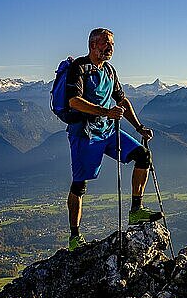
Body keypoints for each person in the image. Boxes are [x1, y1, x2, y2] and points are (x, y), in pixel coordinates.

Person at [65, 27, 162, 251]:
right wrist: (105, 112)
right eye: (105, 43)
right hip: (85, 134)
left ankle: (136, 210)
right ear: (93, 45)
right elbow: (74, 101)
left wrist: (139, 127)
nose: (110, 48)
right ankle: (74, 236)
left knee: (142, 155)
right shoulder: (79, 68)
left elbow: (122, 101)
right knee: (79, 185)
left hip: (108, 131)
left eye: (112, 44)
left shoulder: (109, 70)